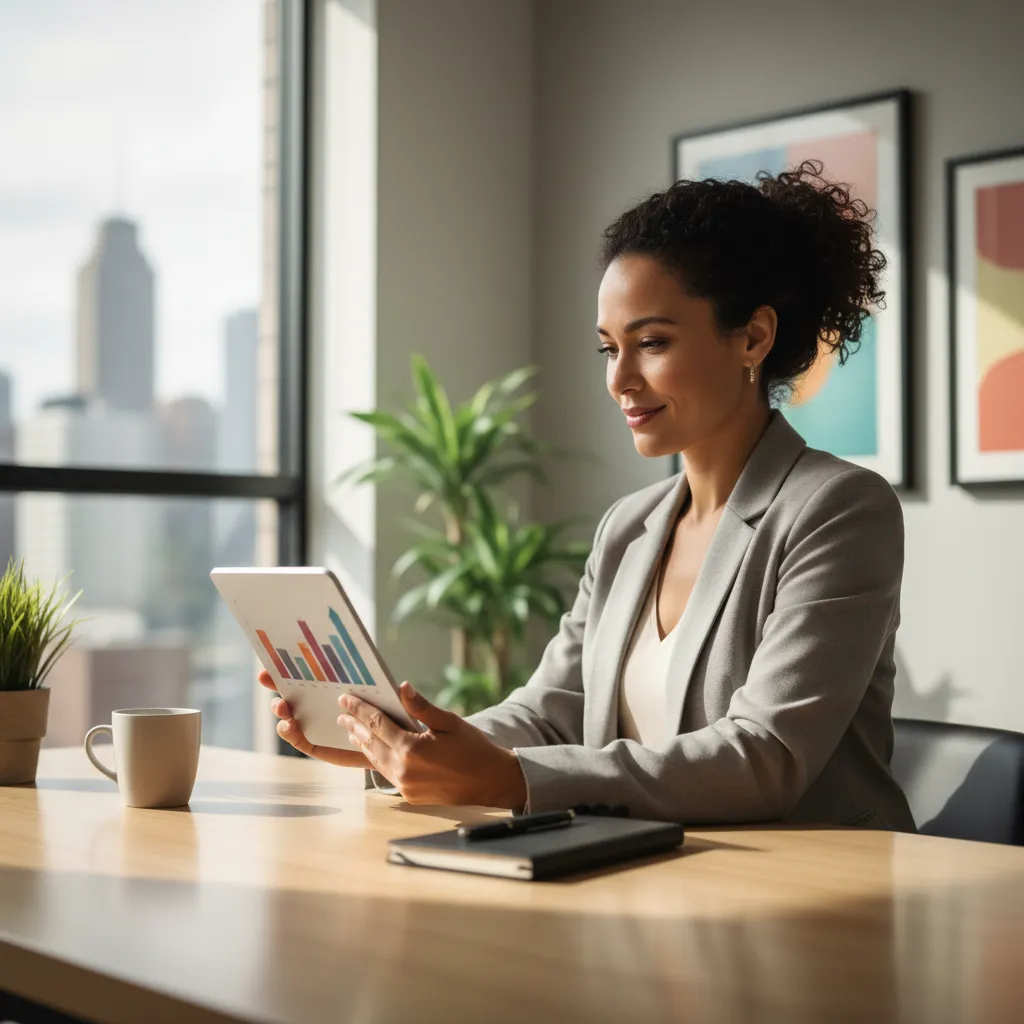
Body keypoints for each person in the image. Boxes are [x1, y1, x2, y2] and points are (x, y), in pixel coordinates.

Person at [260, 159, 916, 831]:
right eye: (609, 349)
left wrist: (514, 781)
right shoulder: (629, 529)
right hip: (655, 877)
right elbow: (550, 712)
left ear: (752, 337)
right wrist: (397, 746)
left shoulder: (837, 509)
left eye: (651, 343)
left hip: (820, 897)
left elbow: (765, 755)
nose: (621, 380)